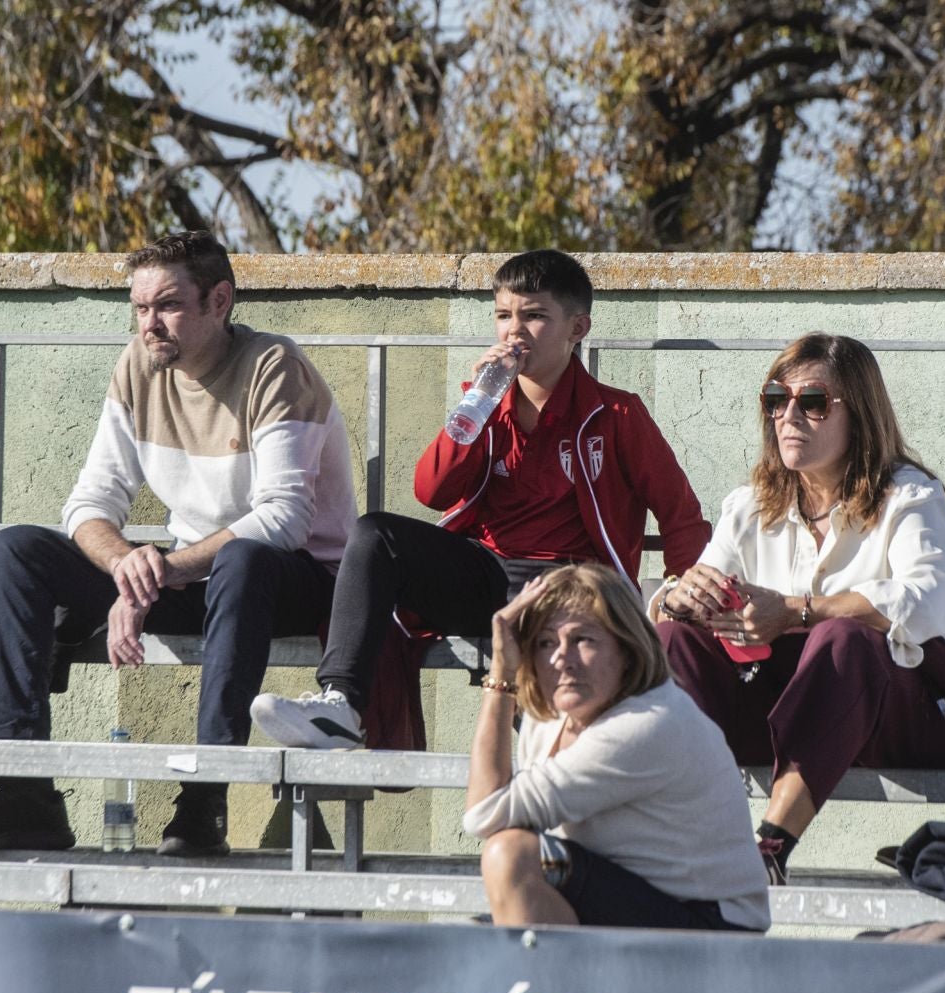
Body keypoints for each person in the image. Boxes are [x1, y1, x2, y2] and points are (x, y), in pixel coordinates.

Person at [0, 231, 355, 857]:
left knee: (242, 559)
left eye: (168, 306)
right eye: (140, 307)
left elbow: (284, 519)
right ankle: (23, 790)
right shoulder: (138, 366)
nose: (150, 323)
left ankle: (206, 797)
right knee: (18, 550)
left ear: (219, 300)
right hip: (196, 580)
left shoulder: (273, 367)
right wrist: (128, 565)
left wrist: (164, 572)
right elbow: (90, 504)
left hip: (296, 582)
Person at [251, 249, 709, 750]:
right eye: (504, 316)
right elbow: (431, 490)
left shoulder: (616, 413)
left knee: (548, 725)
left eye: (534, 316)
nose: (515, 332)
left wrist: (683, 598)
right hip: (485, 573)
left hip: (568, 582)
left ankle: (559, 765)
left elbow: (680, 515)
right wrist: (480, 405)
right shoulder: (485, 405)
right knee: (376, 533)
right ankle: (341, 705)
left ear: (577, 328)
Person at [655, 333, 945, 885]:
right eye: (777, 400)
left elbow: (924, 604)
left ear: (860, 414)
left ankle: (770, 845)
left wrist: (799, 611)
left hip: (899, 708)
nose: (789, 416)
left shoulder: (909, 497)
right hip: (786, 707)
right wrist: (681, 598)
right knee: (674, 640)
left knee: (842, 638)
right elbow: (694, 589)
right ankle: (689, 832)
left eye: (813, 403)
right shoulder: (751, 504)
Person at [462, 565, 770, 931]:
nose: (562, 658)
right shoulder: (548, 717)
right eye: (545, 642)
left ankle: (555, 987)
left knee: (511, 856)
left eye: (583, 640)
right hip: (632, 897)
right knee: (479, 930)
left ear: (626, 650)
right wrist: (505, 676)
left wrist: (499, 679)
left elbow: (484, 814)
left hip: (714, 926)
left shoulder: (647, 723)